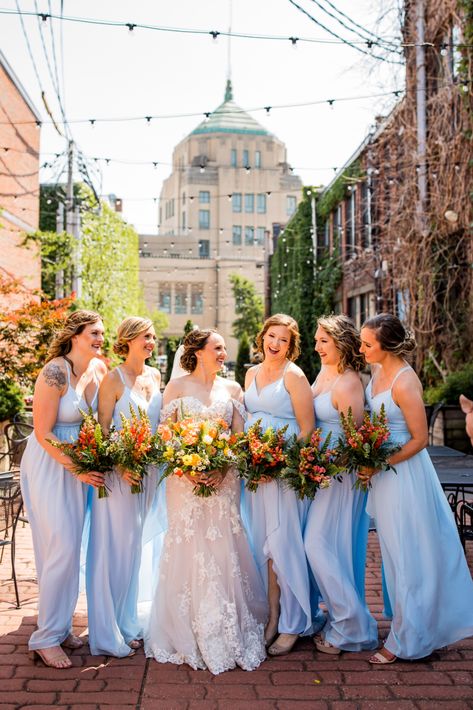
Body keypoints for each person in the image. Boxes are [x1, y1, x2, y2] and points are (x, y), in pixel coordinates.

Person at [144, 328, 267, 674]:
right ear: (197, 351)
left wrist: (222, 467)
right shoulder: (176, 388)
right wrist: (187, 468)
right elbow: (165, 438)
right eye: (218, 348)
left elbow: (240, 438)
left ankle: (226, 624)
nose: (224, 353)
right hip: (184, 483)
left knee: (223, 544)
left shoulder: (233, 389)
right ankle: (185, 627)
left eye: (224, 348)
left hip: (225, 480)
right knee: (188, 543)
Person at [359, 313, 473, 664]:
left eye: (367, 344)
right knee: (394, 555)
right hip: (384, 473)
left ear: (387, 346)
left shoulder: (405, 382)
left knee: (409, 555)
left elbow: (420, 439)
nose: (361, 349)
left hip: (404, 474)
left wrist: (379, 462)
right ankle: (413, 624)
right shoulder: (378, 372)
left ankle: (406, 640)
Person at [20, 310, 107, 668]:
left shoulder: (99, 369)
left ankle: (59, 624)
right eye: (94, 333)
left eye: (103, 333)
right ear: (75, 334)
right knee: (61, 546)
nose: (101, 338)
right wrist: (80, 469)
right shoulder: (55, 371)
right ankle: (44, 637)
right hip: (50, 464)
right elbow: (43, 432)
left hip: (78, 464)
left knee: (72, 546)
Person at [242, 313, 322, 656]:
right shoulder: (250, 373)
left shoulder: (295, 376)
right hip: (255, 474)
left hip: (283, 473)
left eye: (283, 340)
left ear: (292, 346)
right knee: (263, 546)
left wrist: (278, 463)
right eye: (271, 336)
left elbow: (307, 429)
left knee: (284, 546)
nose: (275, 344)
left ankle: (293, 622)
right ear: (262, 337)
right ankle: (271, 617)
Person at [87, 317, 162, 657]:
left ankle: (127, 621)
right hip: (118, 477)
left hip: (148, 473)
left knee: (134, 549)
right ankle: (107, 629)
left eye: (153, 337)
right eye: (147, 336)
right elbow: (101, 432)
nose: (152, 342)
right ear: (129, 339)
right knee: (113, 550)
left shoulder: (155, 376)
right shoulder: (112, 380)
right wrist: (120, 463)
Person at [304, 315, 378, 654]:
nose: (317, 346)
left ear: (341, 343)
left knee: (316, 544)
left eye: (323, 341)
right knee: (326, 546)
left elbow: (356, 442)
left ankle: (352, 624)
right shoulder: (324, 373)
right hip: (319, 475)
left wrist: (325, 463)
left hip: (339, 476)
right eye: (317, 340)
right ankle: (339, 617)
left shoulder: (348, 383)